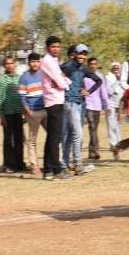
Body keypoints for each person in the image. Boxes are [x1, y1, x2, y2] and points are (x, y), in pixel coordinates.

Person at [60, 44, 102, 174]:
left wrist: (89, 91)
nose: (82, 56)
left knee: (70, 136)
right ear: (75, 54)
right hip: (68, 103)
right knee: (76, 134)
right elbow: (55, 75)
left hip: (79, 104)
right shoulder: (67, 66)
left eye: (84, 54)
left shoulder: (83, 69)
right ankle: (77, 164)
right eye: (79, 53)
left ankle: (65, 164)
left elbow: (98, 81)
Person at [40, 36, 72, 180]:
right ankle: (56, 169)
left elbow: (62, 78)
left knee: (52, 136)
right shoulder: (47, 61)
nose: (56, 49)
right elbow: (60, 81)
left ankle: (48, 169)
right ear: (47, 47)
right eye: (53, 46)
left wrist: (64, 80)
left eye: (58, 46)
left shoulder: (53, 61)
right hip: (53, 101)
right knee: (55, 137)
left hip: (56, 100)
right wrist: (64, 82)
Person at [0, 56, 24, 173]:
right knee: (8, 140)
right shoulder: (1, 80)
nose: (10, 65)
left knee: (19, 139)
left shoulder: (20, 79)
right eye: (7, 64)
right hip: (7, 113)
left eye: (11, 63)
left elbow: (23, 95)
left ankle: (19, 163)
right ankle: (8, 164)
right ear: (4, 66)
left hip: (19, 113)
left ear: (15, 64)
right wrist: (1, 115)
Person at [19, 53, 46, 176]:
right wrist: (27, 110)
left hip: (45, 110)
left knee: (53, 136)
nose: (35, 64)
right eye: (32, 61)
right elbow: (22, 96)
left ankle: (51, 162)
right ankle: (34, 165)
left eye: (37, 61)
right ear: (28, 62)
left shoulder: (43, 74)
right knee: (32, 139)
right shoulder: (24, 77)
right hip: (32, 112)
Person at [83, 57, 109, 161]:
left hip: (97, 106)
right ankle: (96, 150)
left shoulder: (100, 76)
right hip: (87, 105)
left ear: (97, 65)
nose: (93, 66)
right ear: (88, 65)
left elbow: (103, 91)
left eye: (95, 64)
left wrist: (106, 105)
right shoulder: (84, 76)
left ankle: (91, 152)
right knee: (92, 127)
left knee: (94, 129)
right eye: (91, 64)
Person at [104, 62, 125, 152]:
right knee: (111, 124)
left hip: (120, 104)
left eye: (118, 67)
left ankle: (118, 143)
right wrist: (117, 81)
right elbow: (109, 91)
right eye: (114, 67)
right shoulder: (108, 77)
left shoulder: (123, 78)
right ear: (111, 68)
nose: (116, 69)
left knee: (119, 124)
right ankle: (112, 143)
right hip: (111, 103)